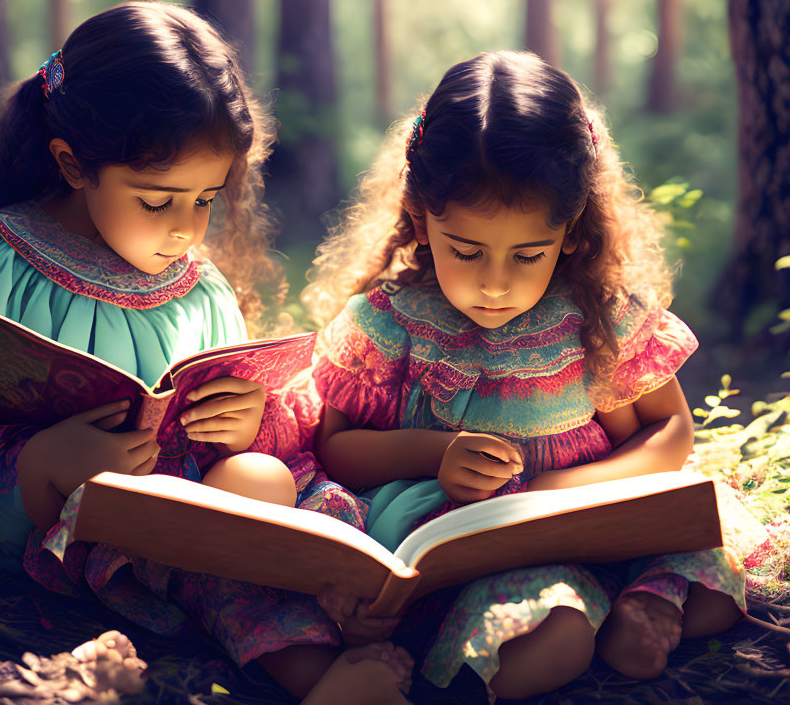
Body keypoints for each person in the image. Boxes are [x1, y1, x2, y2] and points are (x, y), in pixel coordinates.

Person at [0, 1, 411, 704]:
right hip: (35, 499)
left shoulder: (199, 288)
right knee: (193, 546)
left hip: (169, 499)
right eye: (156, 199)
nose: (184, 227)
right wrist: (30, 433)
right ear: (73, 164)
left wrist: (242, 421)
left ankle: (333, 613)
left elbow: (248, 427)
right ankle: (314, 675)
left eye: (204, 199)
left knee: (258, 482)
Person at [301, 50, 755, 699]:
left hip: (589, 513)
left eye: (527, 253)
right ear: (420, 216)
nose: (494, 282)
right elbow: (333, 447)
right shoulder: (392, 319)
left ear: (570, 230)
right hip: (466, 542)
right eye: (465, 250)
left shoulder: (598, 314)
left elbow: (670, 431)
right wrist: (439, 454)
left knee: (711, 568)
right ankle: (559, 627)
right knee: (552, 634)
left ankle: (644, 605)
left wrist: (557, 489)